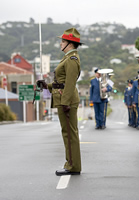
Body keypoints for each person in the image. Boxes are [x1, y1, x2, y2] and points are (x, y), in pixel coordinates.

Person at [37, 27, 82, 176]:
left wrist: (66, 101)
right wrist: (47, 86)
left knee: (70, 133)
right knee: (67, 132)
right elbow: (61, 81)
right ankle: (70, 163)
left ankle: (73, 166)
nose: (60, 44)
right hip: (63, 97)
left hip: (66, 99)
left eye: (62, 41)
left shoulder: (72, 59)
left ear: (69, 43)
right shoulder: (68, 58)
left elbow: (70, 82)